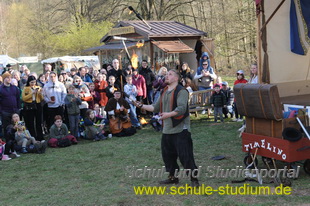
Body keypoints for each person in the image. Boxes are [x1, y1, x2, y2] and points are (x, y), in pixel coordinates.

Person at [134, 69, 199, 187]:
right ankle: (173, 177)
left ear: (176, 78)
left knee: (186, 156)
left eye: (170, 74)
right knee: (168, 156)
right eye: (167, 74)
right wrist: (142, 105)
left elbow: (181, 108)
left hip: (180, 129)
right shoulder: (164, 91)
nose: (166, 76)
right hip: (167, 129)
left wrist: (168, 114)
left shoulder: (181, 91)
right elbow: (155, 107)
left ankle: (194, 179)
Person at [21, 76, 44, 141]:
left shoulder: (38, 87)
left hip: (38, 105)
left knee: (38, 122)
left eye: (34, 82)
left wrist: (40, 93)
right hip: (29, 105)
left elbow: (42, 98)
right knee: (30, 122)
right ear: (28, 82)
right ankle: (33, 136)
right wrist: (32, 93)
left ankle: (40, 136)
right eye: (31, 82)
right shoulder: (25, 88)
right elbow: (24, 98)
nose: (33, 83)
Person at [0, 72, 21, 138]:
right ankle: (8, 143)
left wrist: (18, 108)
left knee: (17, 126)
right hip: (5, 112)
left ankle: (18, 141)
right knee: (7, 128)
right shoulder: (0, 89)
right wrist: (1, 111)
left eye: (10, 77)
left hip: (15, 111)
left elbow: (18, 98)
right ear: (4, 79)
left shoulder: (14, 88)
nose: (9, 79)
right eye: (7, 78)